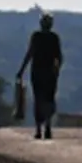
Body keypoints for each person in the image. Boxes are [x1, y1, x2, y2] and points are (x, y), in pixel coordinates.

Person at [16, 11, 63, 139]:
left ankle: (38, 129)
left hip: (37, 73)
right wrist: (57, 71)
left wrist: (21, 70)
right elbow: (59, 58)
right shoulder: (54, 38)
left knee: (39, 100)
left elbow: (29, 54)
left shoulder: (36, 36)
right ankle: (47, 127)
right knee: (48, 100)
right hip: (49, 74)